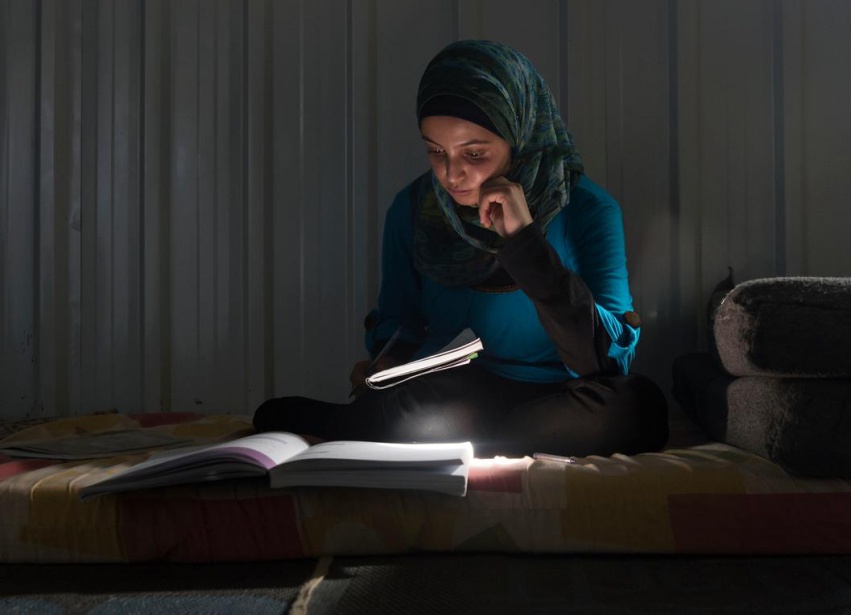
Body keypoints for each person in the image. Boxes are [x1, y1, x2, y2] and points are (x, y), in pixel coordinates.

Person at [253, 40, 668, 458]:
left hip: (563, 397)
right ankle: (441, 433)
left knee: (638, 408)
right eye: (436, 151)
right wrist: (384, 364)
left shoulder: (587, 210)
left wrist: (525, 240)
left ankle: (409, 433)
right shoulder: (415, 210)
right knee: (427, 412)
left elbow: (606, 362)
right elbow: (402, 321)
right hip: (462, 397)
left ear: (519, 135)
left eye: (474, 153)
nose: (453, 174)